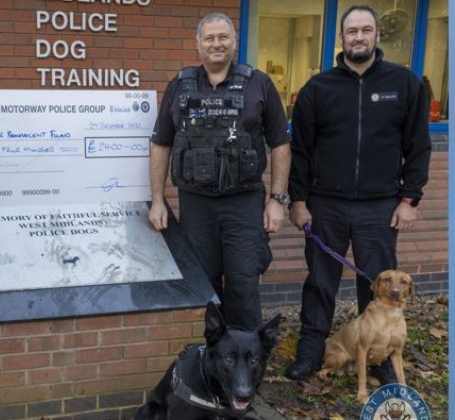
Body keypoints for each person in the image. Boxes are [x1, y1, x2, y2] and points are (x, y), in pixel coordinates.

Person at [285, 4, 431, 382]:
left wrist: (409, 198)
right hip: (325, 204)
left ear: (377, 36)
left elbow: (418, 145)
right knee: (319, 282)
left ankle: (380, 360)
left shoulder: (404, 84)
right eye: (352, 31)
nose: (360, 37)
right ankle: (311, 351)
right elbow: (300, 149)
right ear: (342, 38)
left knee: (378, 286)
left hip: (379, 207)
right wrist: (298, 201)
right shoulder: (319, 88)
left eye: (367, 30)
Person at [148, 13, 291, 330]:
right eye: (209, 38)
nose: (216, 44)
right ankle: (210, 361)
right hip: (196, 203)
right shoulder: (180, 85)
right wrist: (157, 199)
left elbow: (280, 143)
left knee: (243, 284)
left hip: (243, 202)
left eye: (223, 37)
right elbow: (161, 143)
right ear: (198, 44)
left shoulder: (259, 84)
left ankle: (246, 366)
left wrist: (278, 199)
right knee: (203, 284)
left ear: (234, 42)